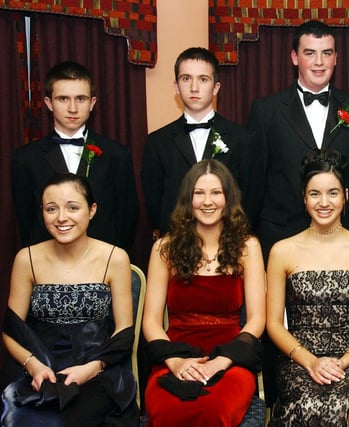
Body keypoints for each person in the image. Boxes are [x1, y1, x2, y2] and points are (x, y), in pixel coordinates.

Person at [2, 173, 138, 426]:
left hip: (98, 369)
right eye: (51, 209)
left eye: (72, 207)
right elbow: (11, 330)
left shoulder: (115, 258)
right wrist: (33, 366)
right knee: (21, 417)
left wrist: (91, 368)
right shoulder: (26, 258)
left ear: (92, 209)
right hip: (38, 367)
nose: (61, 218)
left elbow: (124, 331)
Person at [266, 150, 349, 426]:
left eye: (332, 193)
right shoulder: (282, 251)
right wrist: (310, 361)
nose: (324, 202)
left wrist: (344, 361)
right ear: (304, 198)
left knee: (336, 403)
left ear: (346, 196)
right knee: (309, 403)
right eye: (314, 194)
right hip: (298, 357)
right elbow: (273, 324)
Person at [142, 159, 265, 426]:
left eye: (216, 193)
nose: (207, 201)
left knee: (214, 409)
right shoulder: (164, 248)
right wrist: (176, 363)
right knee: (167, 412)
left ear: (228, 198)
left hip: (231, 358)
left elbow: (256, 320)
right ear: (188, 198)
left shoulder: (248, 247)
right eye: (199, 193)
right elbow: (151, 321)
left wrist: (220, 362)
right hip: (175, 355)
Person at [247, 20, 349, 261]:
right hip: (283, 235)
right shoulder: (266, 111)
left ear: (336, 58)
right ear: (295, 57)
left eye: (327, 53)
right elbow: (255, 181)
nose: (319, 62)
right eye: (309, 53)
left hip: (345, 238)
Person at [11, 61, 139, 249]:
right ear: (49, 103)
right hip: (47, 262)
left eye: (80, 99)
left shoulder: (117, 155)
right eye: (63, 99)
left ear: (92, 103)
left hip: (102, 261)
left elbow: (127, 217)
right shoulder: (25, 159)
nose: (73, 108)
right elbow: (25, 219)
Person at [142, 47, 256, 240]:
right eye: (186, 79)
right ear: (176, 86)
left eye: (203, 79)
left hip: (228, 241)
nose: (194, 87)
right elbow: (154, 203)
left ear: (216, 87)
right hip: (176, 242)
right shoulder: (157, 142)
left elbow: (251, 196)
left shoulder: (242, 139)